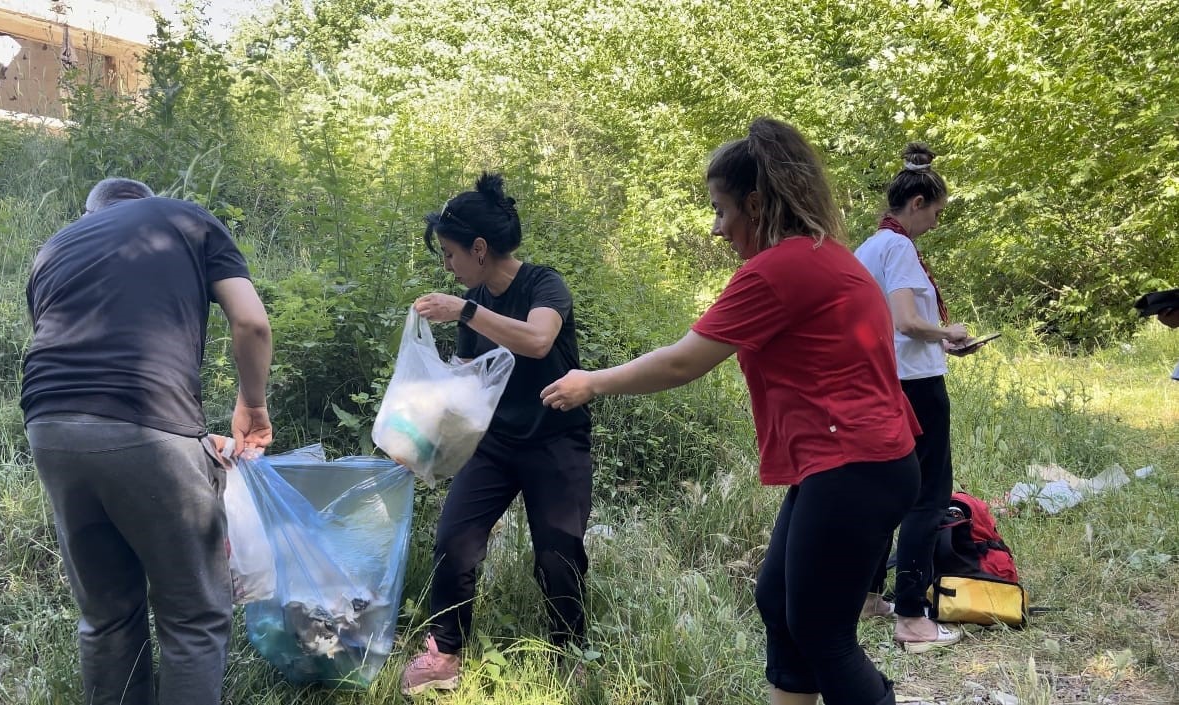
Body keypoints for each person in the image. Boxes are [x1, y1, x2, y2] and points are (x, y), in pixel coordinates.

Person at [542, 118, 921, 705]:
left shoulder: (779, 269)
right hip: (860, 463)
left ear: (756, 202)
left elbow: (682, 362)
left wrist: (591, 381)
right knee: (778, 600)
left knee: (824, 635)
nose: (718, 228)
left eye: (721, 211)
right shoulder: (826, 255)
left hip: (854, 465)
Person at [21, 178, 274, 705]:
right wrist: (253, 404)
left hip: (50, 425)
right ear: (146, 200)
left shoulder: (54, 248)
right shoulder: (185, 218)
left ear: (92, 211)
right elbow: (250, 323)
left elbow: (78, 357)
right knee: (194, 617)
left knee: (108, 616)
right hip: (146, 425)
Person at [399, 173, 594, 696]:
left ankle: (570, 651)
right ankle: (445, 653)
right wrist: (418, 444)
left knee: (558, 553)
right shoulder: (475, 304)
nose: (447, 265)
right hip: (496, 443)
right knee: (454, 540)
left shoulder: (543, 283)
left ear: (479, 249)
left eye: (450, 253)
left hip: (557, 440)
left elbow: (536, 339)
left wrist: (465, 308)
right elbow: (464, 390)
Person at [853, 143, 971, 652]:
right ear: (917, 202)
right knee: (928, 494)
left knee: (884, 493)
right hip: (917, 387)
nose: (936, 223)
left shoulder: (868, 247)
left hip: (879, 382)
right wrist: (948, 332)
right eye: (936, 212)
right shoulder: (899, 249)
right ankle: (911, 618)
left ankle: (866, 596)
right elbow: (905, 320)